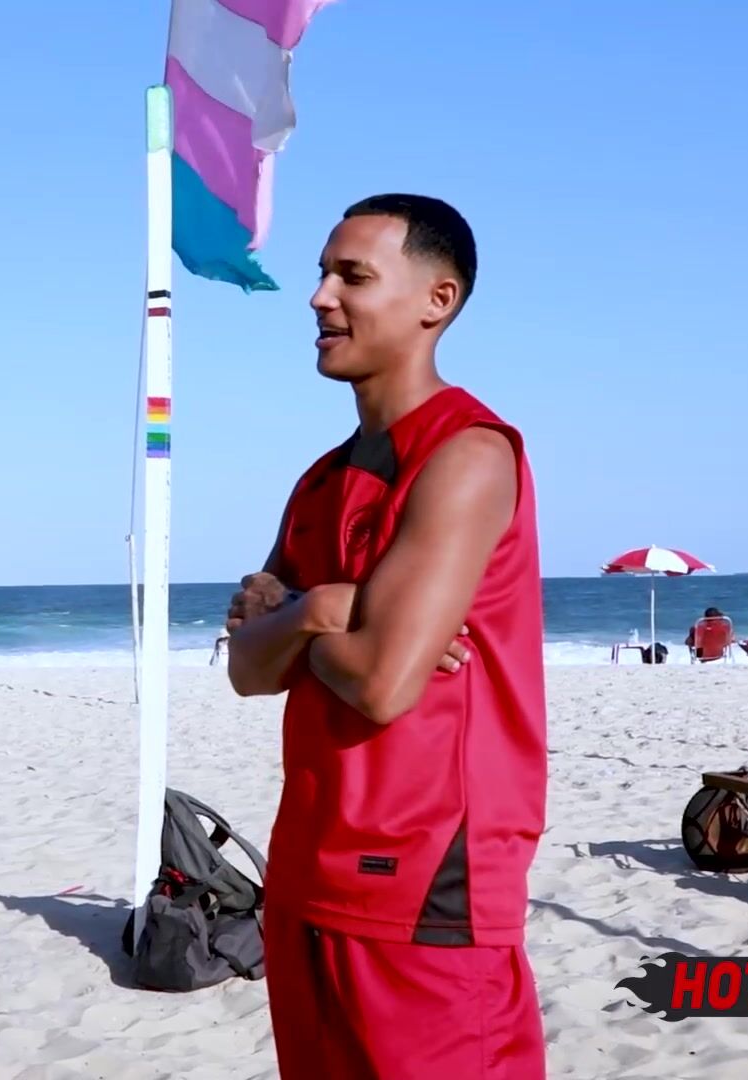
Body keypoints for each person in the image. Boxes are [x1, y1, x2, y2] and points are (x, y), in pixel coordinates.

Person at [225, 194, 547, 1078]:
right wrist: (320, 609)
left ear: (436, 301)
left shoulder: (466, 454)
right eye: (323, 274)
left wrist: (296, 618)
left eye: (352, 277)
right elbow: (246, 669)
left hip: (424, 883)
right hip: (304, 870)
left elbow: (381, 684)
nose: (319, 297)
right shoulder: (320, 480)